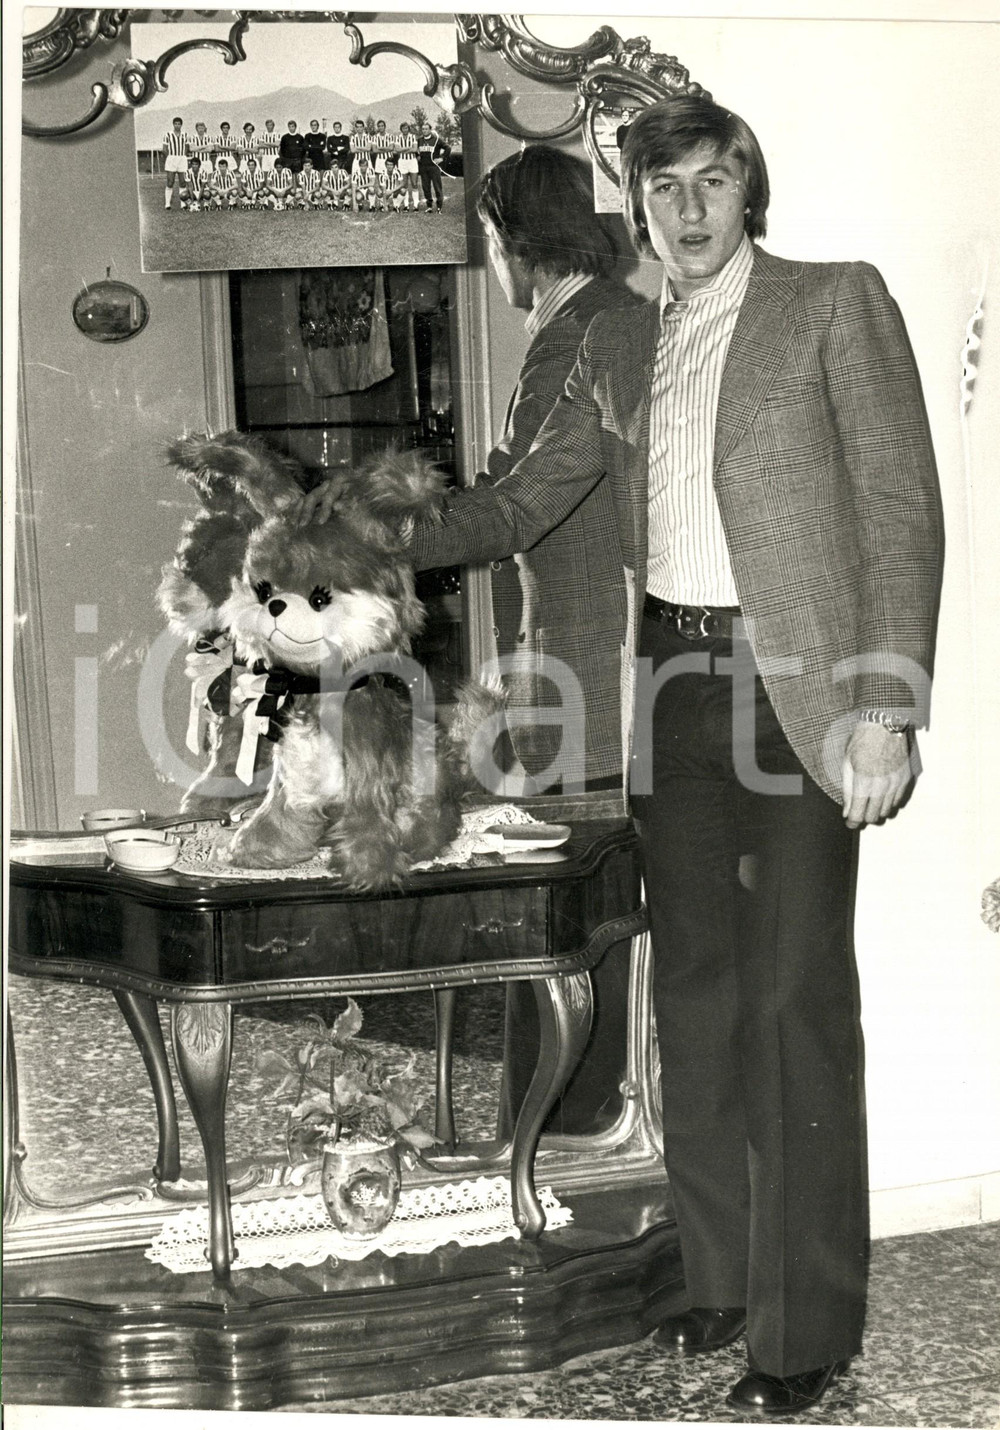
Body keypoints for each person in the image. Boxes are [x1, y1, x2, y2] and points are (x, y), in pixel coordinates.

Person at [293, 97, 944, 1417]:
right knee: (693, 998)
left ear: (744, 189)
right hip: (673, 685)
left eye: (712, 182)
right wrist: (357, 536)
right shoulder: (629, 340)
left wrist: (886, 707)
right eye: (664, 189)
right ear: (634, 205)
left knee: (792, 1002)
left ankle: (805, 1323)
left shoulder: (833, 302)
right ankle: (723, 1281)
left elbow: (896, 511)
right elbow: (534, 502)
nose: (689, 210)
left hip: (793, 690)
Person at [416, 123, 448, 212]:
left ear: (430, 130)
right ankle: (429, 206)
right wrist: (417, 155)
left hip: (434, 167)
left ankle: (439, 207)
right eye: (423, 129)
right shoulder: (419, 140)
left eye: (426, 129)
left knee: (437, 187)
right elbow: (414, 149)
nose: (424, 130)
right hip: (423, 167)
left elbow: (448, 148)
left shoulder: (436, 140)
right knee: (426, 187)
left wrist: (442, 158)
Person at [161, 116, 190, 210]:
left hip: (182, 159)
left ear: (181, 125)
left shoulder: (185, 135)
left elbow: (187, 147)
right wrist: (170, 158)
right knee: (170, 182)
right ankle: (167, 204)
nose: (177, 125)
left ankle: (183, 204)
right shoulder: (168, 134)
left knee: (182, 182)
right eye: (175, 124)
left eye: (179, 124)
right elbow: (164, 149)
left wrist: (183, 156)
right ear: (173, 124)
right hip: (171, 159)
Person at [396, 122, 421, 210]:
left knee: (414, 183)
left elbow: (414, 149)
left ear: (408, 129)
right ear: (401, 129)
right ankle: (406, 205)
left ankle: (415, 205)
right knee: (404, 184)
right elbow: (397, 150)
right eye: (403, 128)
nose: (405, 130)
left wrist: (403, 150)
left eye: (406, 128)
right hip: (402, 162)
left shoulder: (413, 137)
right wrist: (408, 148)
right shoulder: (398, 137)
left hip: (412, 161)